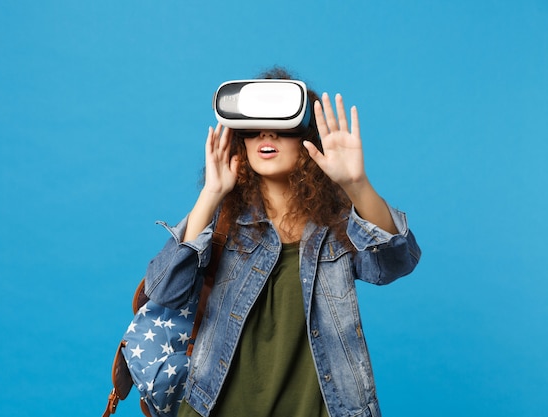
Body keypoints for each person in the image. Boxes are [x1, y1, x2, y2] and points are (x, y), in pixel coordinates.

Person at [143, 67, 421, 417]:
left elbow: (395, 263)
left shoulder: (336, 226)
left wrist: (358, 184)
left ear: (308, 137)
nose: (266, 134)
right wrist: (211, 194)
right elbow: (165, 290)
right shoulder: (222, 219)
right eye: (252, 128)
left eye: (282, 125)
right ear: (239, 140)